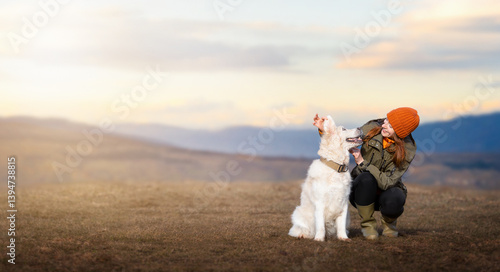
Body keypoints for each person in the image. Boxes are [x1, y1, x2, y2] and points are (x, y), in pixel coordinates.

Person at [313, 107, 419, 240]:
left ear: (399, 132)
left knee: (397, 196)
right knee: (366, 179)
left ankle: (389, 224)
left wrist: (363, 162)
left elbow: (388, 182)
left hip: (386, 191)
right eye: (386, 120)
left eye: (390, 126)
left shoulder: (408, 149)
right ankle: (368, 225)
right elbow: (342, 138)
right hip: (362, 190)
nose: (384, 125)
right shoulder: (373, 127)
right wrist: (323, 129)